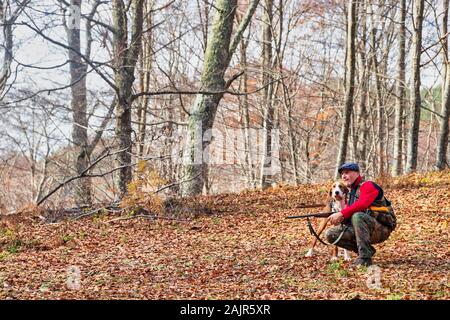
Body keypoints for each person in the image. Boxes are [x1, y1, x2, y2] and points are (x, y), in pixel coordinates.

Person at [325, 162, 397, 266]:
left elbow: (362, 204)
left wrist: (341, 213)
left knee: (358, 216)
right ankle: (367, 251)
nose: (343, 176)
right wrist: (341, 219)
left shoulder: (368, 185)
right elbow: (351, 215)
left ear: (357, 173)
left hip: (382, 227)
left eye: (347, 173)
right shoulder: (351, 192)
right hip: (365, 227)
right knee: (331, 234)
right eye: (342, 174)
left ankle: (365, 258)